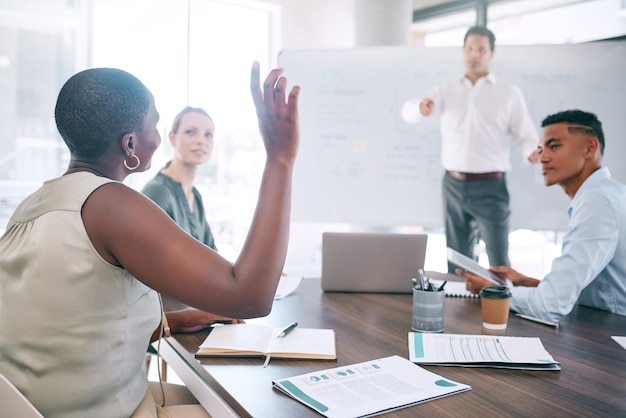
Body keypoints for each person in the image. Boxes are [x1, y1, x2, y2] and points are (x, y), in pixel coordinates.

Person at [0, 62, 300, 418]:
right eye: (154, 125)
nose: (158, 138)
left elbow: (77, 325)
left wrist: (186, 318)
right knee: (260, 410)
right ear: (130, 144)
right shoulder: (112, 204)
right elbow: (251, 296)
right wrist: (280, 158)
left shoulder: (32, 205)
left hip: (35, 405)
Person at [459, 109, 626, 323]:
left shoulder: (597, 202)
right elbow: (593, 291)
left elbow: (549, 306)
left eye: (554, 146)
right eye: (540, 149)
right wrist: (526, 281)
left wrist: (492, 289)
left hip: (613, 335)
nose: (542, 157)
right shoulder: (609, 193)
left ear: (590, 148)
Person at [402, 25, 539, 272]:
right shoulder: (446, 89)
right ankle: (459, 311)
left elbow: (525, 134)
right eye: (470, 49)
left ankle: (499, 309)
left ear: (491, 53)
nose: (474, 54)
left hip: (491, 187)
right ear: (463, 51)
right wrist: (420, 108)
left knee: (498, 260)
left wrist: (532, 152)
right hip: (453, 185)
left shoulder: (508, 92)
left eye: (481, 49)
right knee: (457, 261)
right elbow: (409, 112)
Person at [141, 106, 243, 326]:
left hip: (193, 306)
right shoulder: (158, 192)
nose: (201, 140)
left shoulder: (195, 196)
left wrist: (250, 274)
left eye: (208, 134)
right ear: (172, 137)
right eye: (190, 132)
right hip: (167, 319)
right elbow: (153, 270)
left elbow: (210, 256)